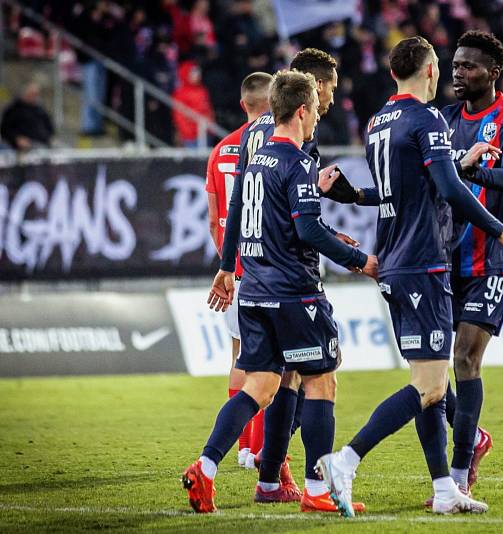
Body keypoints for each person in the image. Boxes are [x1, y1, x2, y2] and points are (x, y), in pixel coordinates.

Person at [315, 36, 503, 517]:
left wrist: (349, 195)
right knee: (431, 387)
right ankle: (346, 460)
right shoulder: (430, 118)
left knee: (430, 382)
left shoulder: (377, 123)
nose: (451, 75)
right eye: (447, 67)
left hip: (392, 261)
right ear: (430, 70)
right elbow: (447, 190)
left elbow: (407, 187)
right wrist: (502, 230)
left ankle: (445, 490)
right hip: (426, 263)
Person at [181, 69, 378, 514]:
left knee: (261, 386)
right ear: (303, 110)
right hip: (294, 293)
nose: (315, 124)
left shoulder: (256, 157)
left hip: (253, 290)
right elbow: (307, 229)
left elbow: (232, 214)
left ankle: (205, 469)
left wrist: (225, 268)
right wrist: (360, 261)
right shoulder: (297, 162)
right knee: (321, 382)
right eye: (314, 114)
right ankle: (317, 490)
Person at [235, 49, 361, 511]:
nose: (331, 98)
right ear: (312, 87)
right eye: (328, 88)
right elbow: (297, 218)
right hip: (287, 274)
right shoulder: (294, 137)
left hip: (256, 268)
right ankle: (293, 476)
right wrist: (351, 254)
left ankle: (270, 473)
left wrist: (231, 264)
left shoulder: (259, 132)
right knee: (311, 374)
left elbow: (256, 202)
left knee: (282, 376)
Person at [438, 30, 503, 502]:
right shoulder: (443, 118)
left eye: (469, 67)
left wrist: (457, 168)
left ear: (493, 72)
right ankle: (474, 437)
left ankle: (457, 476)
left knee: (464, 359)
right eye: (455, 65)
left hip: (494, 257)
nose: (458, 73)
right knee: (431, 373)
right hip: (445, 255)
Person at [205, 71, 272, 473]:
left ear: (243, 103)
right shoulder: (277, 144)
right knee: (271, 365)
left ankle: (243, 445)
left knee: (238, 356)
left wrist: (227, 267)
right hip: (269, 268)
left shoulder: (221, 149)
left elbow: (215, 220)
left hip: (236, 268)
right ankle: (257, 449)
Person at [0, 81, 54, 150]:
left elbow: (50, 126)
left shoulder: (40, 109)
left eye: (36, 94)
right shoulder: (13, 109)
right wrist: (17, 138)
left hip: (43, 145)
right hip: (21, 148)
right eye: (32, 94)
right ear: (24, 93)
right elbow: (5, 129)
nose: (34, 97)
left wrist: (50, 137)